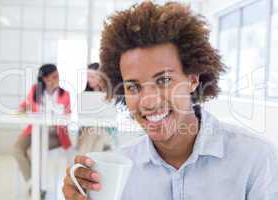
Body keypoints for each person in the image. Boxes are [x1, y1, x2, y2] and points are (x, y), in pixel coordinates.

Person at [63, 2, 278, 200]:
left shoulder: (256, 159)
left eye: (164, 80)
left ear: (193, 79)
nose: (148, 102)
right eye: (133, 86)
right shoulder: (118, 172)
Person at [12, 64, 71, 194]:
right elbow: (26, 104)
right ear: (44, 78)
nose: (57, 79)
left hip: (55, 133)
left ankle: (35, 188)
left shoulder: (65, 94)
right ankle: (34, 185)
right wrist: (21, 108)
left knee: (34, 150)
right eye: (53, 76)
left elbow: (67, 117)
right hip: (34, 129)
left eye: (58, 76)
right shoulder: (35, 90)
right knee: (17, 149)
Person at [75, 63, 114, 156]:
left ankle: (81, 164)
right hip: (87, 129)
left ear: (101, 77)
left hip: (106, 130)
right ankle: (91, 164)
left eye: (92, 76)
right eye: (88, 77)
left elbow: (112, 116)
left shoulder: (110, 94)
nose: (89, 80)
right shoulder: (85, 95)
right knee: (94, 132)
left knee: (96, 131)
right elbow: (81, 115)